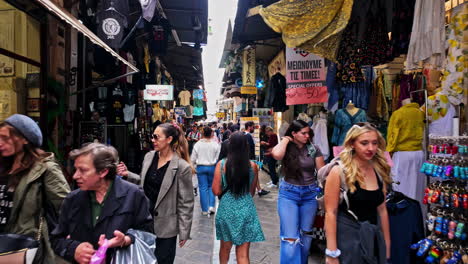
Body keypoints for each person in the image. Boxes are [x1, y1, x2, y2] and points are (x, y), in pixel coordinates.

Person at [51, 143, 153, 263]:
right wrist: (74, 249)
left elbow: (147, 233)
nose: (75, 176)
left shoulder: (133, 195)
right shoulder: (73, 199)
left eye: (82, 170)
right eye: (76, 169)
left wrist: (125, 240)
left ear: (103, 172)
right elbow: (56, 239)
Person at [118, 123, 194, 264]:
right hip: (143, 221)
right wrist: (127, 174)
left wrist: (184, 231)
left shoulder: (182, 167)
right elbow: (144, 183)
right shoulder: (149, 156)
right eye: (152, 137)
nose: (152, 140)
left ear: (169, 139)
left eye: (156, 137)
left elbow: (186, 202)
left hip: (166, 227)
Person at [0, 114, 70, 263]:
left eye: (6, 138)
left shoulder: (45, 168)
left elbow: (66, 207)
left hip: (23, 248)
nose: (0, 143)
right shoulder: (3, 167)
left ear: (25, 139)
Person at [323, 123, 392, 264]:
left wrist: (386, 244)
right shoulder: (339, 172)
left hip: (372, 240)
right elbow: (331, 212)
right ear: (352, 144)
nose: (371, 148)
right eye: (364, 143)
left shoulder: (379, 171)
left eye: (374, 143)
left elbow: (382, 210)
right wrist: (331, 253)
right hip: (347, 241)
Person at [271, 120, 325, 264]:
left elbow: (322, 172)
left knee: (306, 236)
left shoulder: (314, 149)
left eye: (309, 133)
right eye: (303, 133)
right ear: (294, 134)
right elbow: (276, 154)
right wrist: (285, 140)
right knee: (290, 239)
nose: (307, 136)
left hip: (310, 194)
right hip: (289, 194)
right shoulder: (286, 147)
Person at [212, 132, 265, 264]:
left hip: (226, 210)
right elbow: (251, 192)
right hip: (246, 209)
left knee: (225, 248)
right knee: (243, 254)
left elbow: (216, 190)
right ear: (246, 146)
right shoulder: (253, 166)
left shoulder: (222, 164)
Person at [191, 126, 220, 216]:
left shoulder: (197, 144)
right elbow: (217, 157)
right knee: (211, 187)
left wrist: (193, 167)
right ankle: (211, 206)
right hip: (212, 167)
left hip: (201, 167)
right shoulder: (215, 144)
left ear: (202, 134)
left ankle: (204, 209)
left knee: (202, 188)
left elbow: (193, 158)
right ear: (211, 134)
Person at [244, 121, 269, 196]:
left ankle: (259, 190)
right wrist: (253, 159)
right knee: (254, 173)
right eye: (252, 127)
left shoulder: (245, 135)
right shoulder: (247, 136)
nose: (253, 128)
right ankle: (257, 190)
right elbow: (250, 148)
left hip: (248, 158)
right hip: (250, 158)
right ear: (249, 127)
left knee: (255, 173)